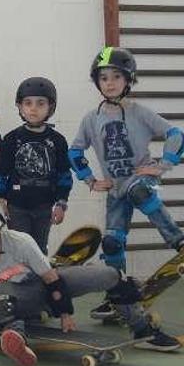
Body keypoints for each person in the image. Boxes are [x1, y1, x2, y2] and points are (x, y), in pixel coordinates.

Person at [0, 190, 179, 366]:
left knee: (109, 275)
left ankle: (142, 330)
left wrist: (65, 313)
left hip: (47, 286)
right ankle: (17, 340)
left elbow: (52, 280)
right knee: (2, 287)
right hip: (17, 301)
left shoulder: (20, 242)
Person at [69, 47, 184, 321]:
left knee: (139, 189)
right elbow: (74, 152)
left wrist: (162, 165)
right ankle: (115, 295)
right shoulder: (91, 118)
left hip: (142, 181)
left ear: (128, 80)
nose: (110, 82)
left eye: (116, 77)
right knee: (110, 243)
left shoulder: (139, 112)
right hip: (117, 189)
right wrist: (90, 181)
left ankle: (177, 240)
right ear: (97, 82)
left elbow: (176, 134)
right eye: (104, 77)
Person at [0, 77, 72, 254]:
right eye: (28, 103)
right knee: (19, 249)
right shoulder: (12, 139)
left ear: (50, 107)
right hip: (16, 207)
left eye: (40, 103)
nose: (33, 108)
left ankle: (40, 281)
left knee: (39, 250)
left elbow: (64, 176)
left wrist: (61, 203)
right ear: (20, 107)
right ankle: (20, 281)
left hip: (44, 206)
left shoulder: (58, 141)